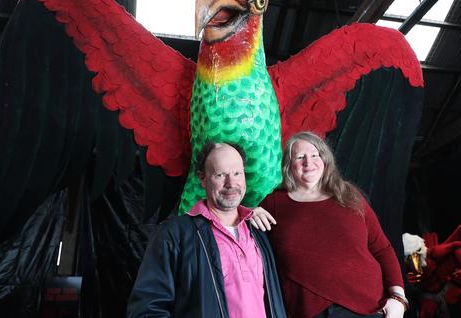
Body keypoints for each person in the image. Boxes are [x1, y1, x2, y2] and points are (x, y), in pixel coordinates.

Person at [251, 131, 408, 318]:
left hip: (369, 307)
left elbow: (383, 249)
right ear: (288, 166)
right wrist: (249, 212)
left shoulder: (350, 196)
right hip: (310, 310)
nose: (308, 162)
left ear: (325, 160)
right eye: (300, 157)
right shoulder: (274, 203)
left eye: (315, 155)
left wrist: (399, 298)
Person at [127, 142, 286, 318]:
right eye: (220, 175)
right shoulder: (174, 234)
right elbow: (147, 309)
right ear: (202, 178)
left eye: (237, 173)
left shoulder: (258, 230)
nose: (231, 183)